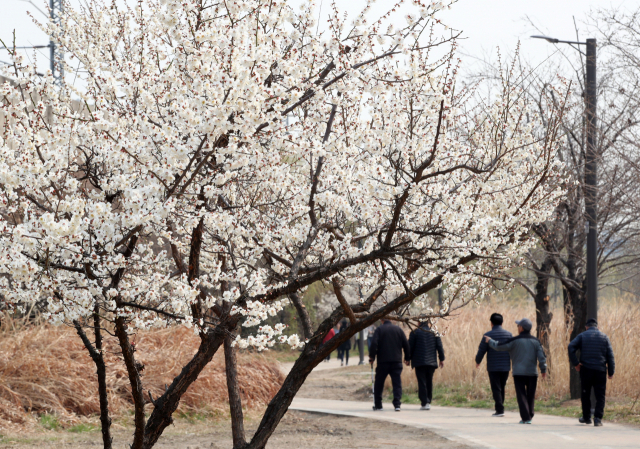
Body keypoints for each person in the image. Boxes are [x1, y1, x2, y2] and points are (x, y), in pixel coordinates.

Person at [485, 318, 546, 424]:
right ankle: (529, 415)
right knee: (530, 395)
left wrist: (490, 341)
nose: (517, 328)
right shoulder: (536, 342)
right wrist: (543, 369)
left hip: (519, 373)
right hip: (532, 373)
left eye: (518, 326)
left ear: (521, 328)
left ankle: (526, 418)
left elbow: (499, 346)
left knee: (521, 395)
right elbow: (542, 357)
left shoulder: (514, 341)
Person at [568, 318, 615, 427]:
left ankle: (587, 417)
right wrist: (611, 371)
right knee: (600, 395)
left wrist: (576, 363)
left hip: (586, 369)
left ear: (586, 327)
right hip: (600, 370)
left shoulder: (582, 336)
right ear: (597, 327)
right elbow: (610, 356)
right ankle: (598, 419)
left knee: (585, 394)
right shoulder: (604, 337)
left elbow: (571, 347)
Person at [475, 313, 513, 417]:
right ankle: (500, 407)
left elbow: (481, 350)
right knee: (502, 386)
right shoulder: (509, 335)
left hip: (493, 366)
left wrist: (478, 361)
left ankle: (499, 410)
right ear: (502, 322)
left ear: (491, 323)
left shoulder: (487, 336)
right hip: (505, 366)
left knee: (496, 387)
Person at [369, 319, 410, 412]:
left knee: (379, 383)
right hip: (396, 361)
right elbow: (406, 344)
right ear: (392, 319)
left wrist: (372, 357)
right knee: (397, 382)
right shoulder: (398, 330)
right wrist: (407, 358)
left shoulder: (379, 329)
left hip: (383, 361)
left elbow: (374, 343)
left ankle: (378, 405)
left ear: (381, 320)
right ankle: (397, 404)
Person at [409, 322, 444, 410]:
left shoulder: (414, 332)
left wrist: (407, 358)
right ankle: (428, 400)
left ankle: (424, 402)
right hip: (431, 362)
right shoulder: (434, 332)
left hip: (419, 362)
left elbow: (410, 347)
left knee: (422, 382)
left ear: (419, 322)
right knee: (429, 381)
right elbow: (439, 346)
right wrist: (441, 359)